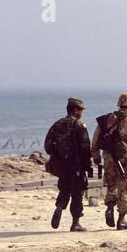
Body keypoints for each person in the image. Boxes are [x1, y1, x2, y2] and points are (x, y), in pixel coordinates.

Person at [91, 92, 127, 230]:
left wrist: (96, 156)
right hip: (124, 160)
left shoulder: (106, 119)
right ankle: (121, 220)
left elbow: (96, 139)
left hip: (108, 159)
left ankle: (110, 207)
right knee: (125, 188)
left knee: (111, 185)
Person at [44, 98, 92, 232]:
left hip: (61, 165)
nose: (82, 112)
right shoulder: (79, 125)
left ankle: (59, 206)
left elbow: (47, 146)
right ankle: (75, 222)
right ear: (76, 110)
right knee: (78, 192)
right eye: (81, 110)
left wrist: (58, 156)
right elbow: (86, 147)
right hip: (76, 165)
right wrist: (87, 165)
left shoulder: (57, 124)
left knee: (64, 188)